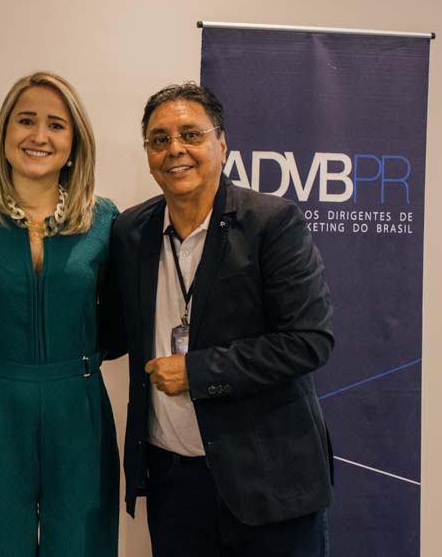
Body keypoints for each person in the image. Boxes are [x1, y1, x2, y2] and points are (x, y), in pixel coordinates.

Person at [103, 82, 334, 556]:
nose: (175, 149)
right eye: (159, 139)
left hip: (270, 482)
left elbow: (308, 340)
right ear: (148, 155)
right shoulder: (130, 230)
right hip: (172, 483)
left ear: (222, 145)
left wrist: (197, 371)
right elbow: (111, 332)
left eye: (191, 134)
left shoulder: (272, 223)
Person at [0, 72, 119, 557]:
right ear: (4, 132)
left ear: (74, 142)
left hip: (78, 406)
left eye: (56, 125)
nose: (39, 135)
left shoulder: (103, 220)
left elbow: (123, 310)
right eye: (26, 121)